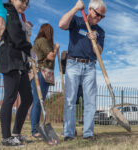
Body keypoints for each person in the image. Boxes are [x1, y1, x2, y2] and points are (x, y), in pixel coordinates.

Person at [59, 0, 106, 141]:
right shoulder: (77, 21)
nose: (98, 18)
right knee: (70, 100)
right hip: (73, 63)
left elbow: (99, 52)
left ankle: (88, 133)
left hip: (90, 66)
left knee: (90, 101)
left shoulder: (100, 31)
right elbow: (61, 25)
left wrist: (95, 42)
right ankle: (68, 133)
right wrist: (75, 8)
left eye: (101, 17)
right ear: (90, 10)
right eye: (98, 14)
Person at [0, 0, 33, 146]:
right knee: (10, 97)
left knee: (28, 98)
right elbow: (15, 36)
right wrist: (29, 48)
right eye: (21, 1)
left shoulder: (20, 16)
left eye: (26, 3)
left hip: (21, 62)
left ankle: (16, 133)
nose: (24, 5)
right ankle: (6, 137)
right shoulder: (9, 11)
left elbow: (21, 36)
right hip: (10, 58)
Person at [30, 23, 60, 138]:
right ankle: (35, 130)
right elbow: (51, 56)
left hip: (41, 74)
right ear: (48, 32)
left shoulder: (39, 41)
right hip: (41, 73)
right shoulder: (43, 40)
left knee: (39, 101)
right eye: (51, 32)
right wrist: (56, 48)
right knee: (38, 101)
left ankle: (36, 128)